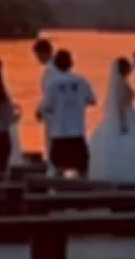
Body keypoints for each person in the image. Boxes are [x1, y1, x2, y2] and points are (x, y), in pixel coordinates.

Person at [90, 55, 135, 184]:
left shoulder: (119, 83)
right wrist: (123, 124)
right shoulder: (121, 84)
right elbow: (121, 105)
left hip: (129, 116)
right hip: (126, 117)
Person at [36, 47, 97, 179]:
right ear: (71, 63)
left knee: (58, 169)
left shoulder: (52, 83)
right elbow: (92, 100)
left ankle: (57, 194)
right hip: (77, 132)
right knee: (83, 169)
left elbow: (46, 106)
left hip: (60, 132)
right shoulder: (81, 81)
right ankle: (85, 194)